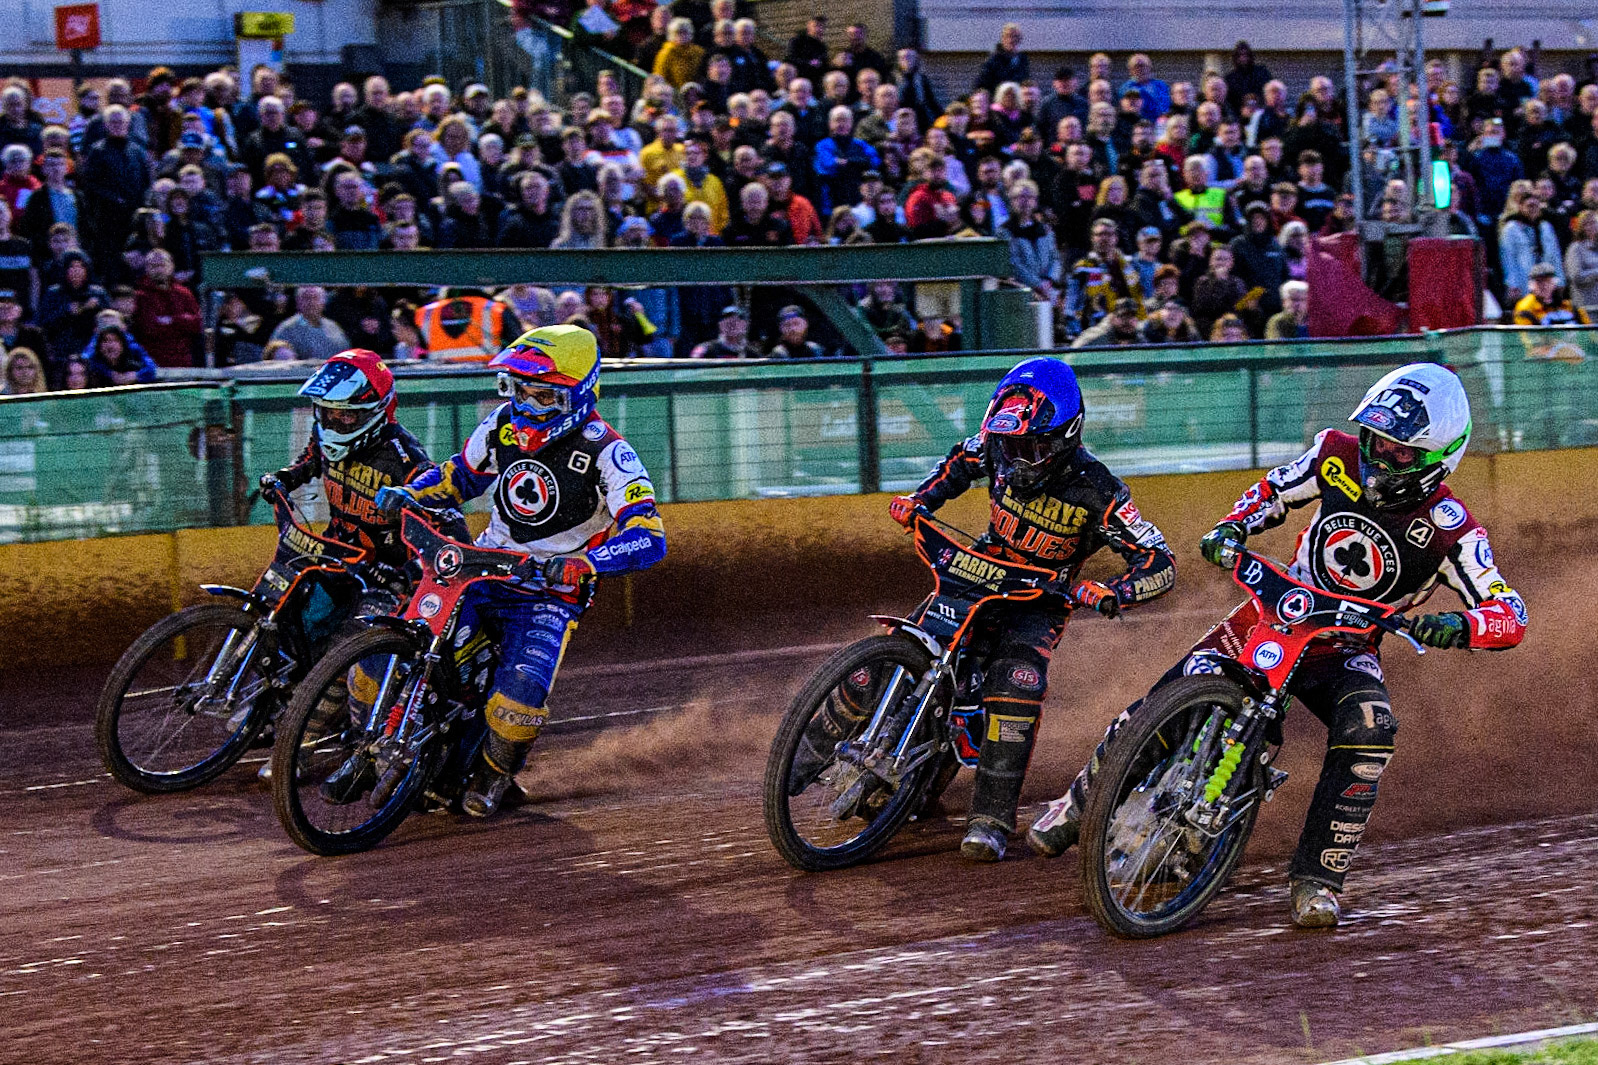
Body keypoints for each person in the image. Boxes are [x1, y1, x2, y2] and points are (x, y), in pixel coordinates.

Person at [1028, 363, 1526, 928]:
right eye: (1375, 439)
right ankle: (1077, 803)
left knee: (1371, 728)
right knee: (1168, 694)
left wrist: (1461, 627)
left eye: (1400, 451)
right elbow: (1274, 490)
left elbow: (1510, 611)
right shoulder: (1336, 453)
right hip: (1278, 606)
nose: (1380, 456)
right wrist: (1233, 527)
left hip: (1347, 645)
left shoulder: (1452, 529)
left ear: (1442, 456)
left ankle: (1319, 877)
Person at [880, 358, 1176, 860]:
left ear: (1067, 433)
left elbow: (1160, 561)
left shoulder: (1098, 489)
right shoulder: (997, 444)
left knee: (1015, 685)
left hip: (1039, 602)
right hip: (976, 570)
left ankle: (991, 822)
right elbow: (958, 462)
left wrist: (1111, 592)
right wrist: (920, 500)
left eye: (1034, 446)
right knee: (906, 647)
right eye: (1012, 445)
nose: (1019, 457)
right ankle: (820, 756)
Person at [374, 325, 667, 817]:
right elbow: (458, 477)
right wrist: (411, 493)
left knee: (519, 698)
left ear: (579, 392)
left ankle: (495, 773)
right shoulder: (500, 426)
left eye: (544, 394)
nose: (528, 405)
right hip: (483, 568)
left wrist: (586, 563)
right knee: (414, 642)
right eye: (517, 389)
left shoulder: (609, 452)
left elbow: (648, 534)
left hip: (549, 591)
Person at [1512, 263, 1590, 326]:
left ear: (1554, 283)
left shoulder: (1567, 303)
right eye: (1539, 282)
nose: (1544, 286)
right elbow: (1530, 340)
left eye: (1547, 281)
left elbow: (1589, 330)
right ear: (1531, 286)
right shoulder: (1525, 308)